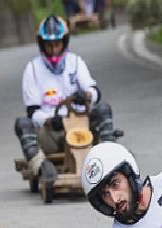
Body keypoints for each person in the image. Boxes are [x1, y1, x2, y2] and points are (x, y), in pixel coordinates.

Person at [15, 15, 117, 185]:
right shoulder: (32, 68)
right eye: (49, 45)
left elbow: (95, 91)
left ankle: (111, 159)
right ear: (42, 44)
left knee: (103, 109)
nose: (54, 49)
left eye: (57, 44)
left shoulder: (75, 62)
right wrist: (48, 120)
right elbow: (32, 111)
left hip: (81, 127)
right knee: (22, 123)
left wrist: (86, 95)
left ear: (64, 42)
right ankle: (42, 166)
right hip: (52, 133)